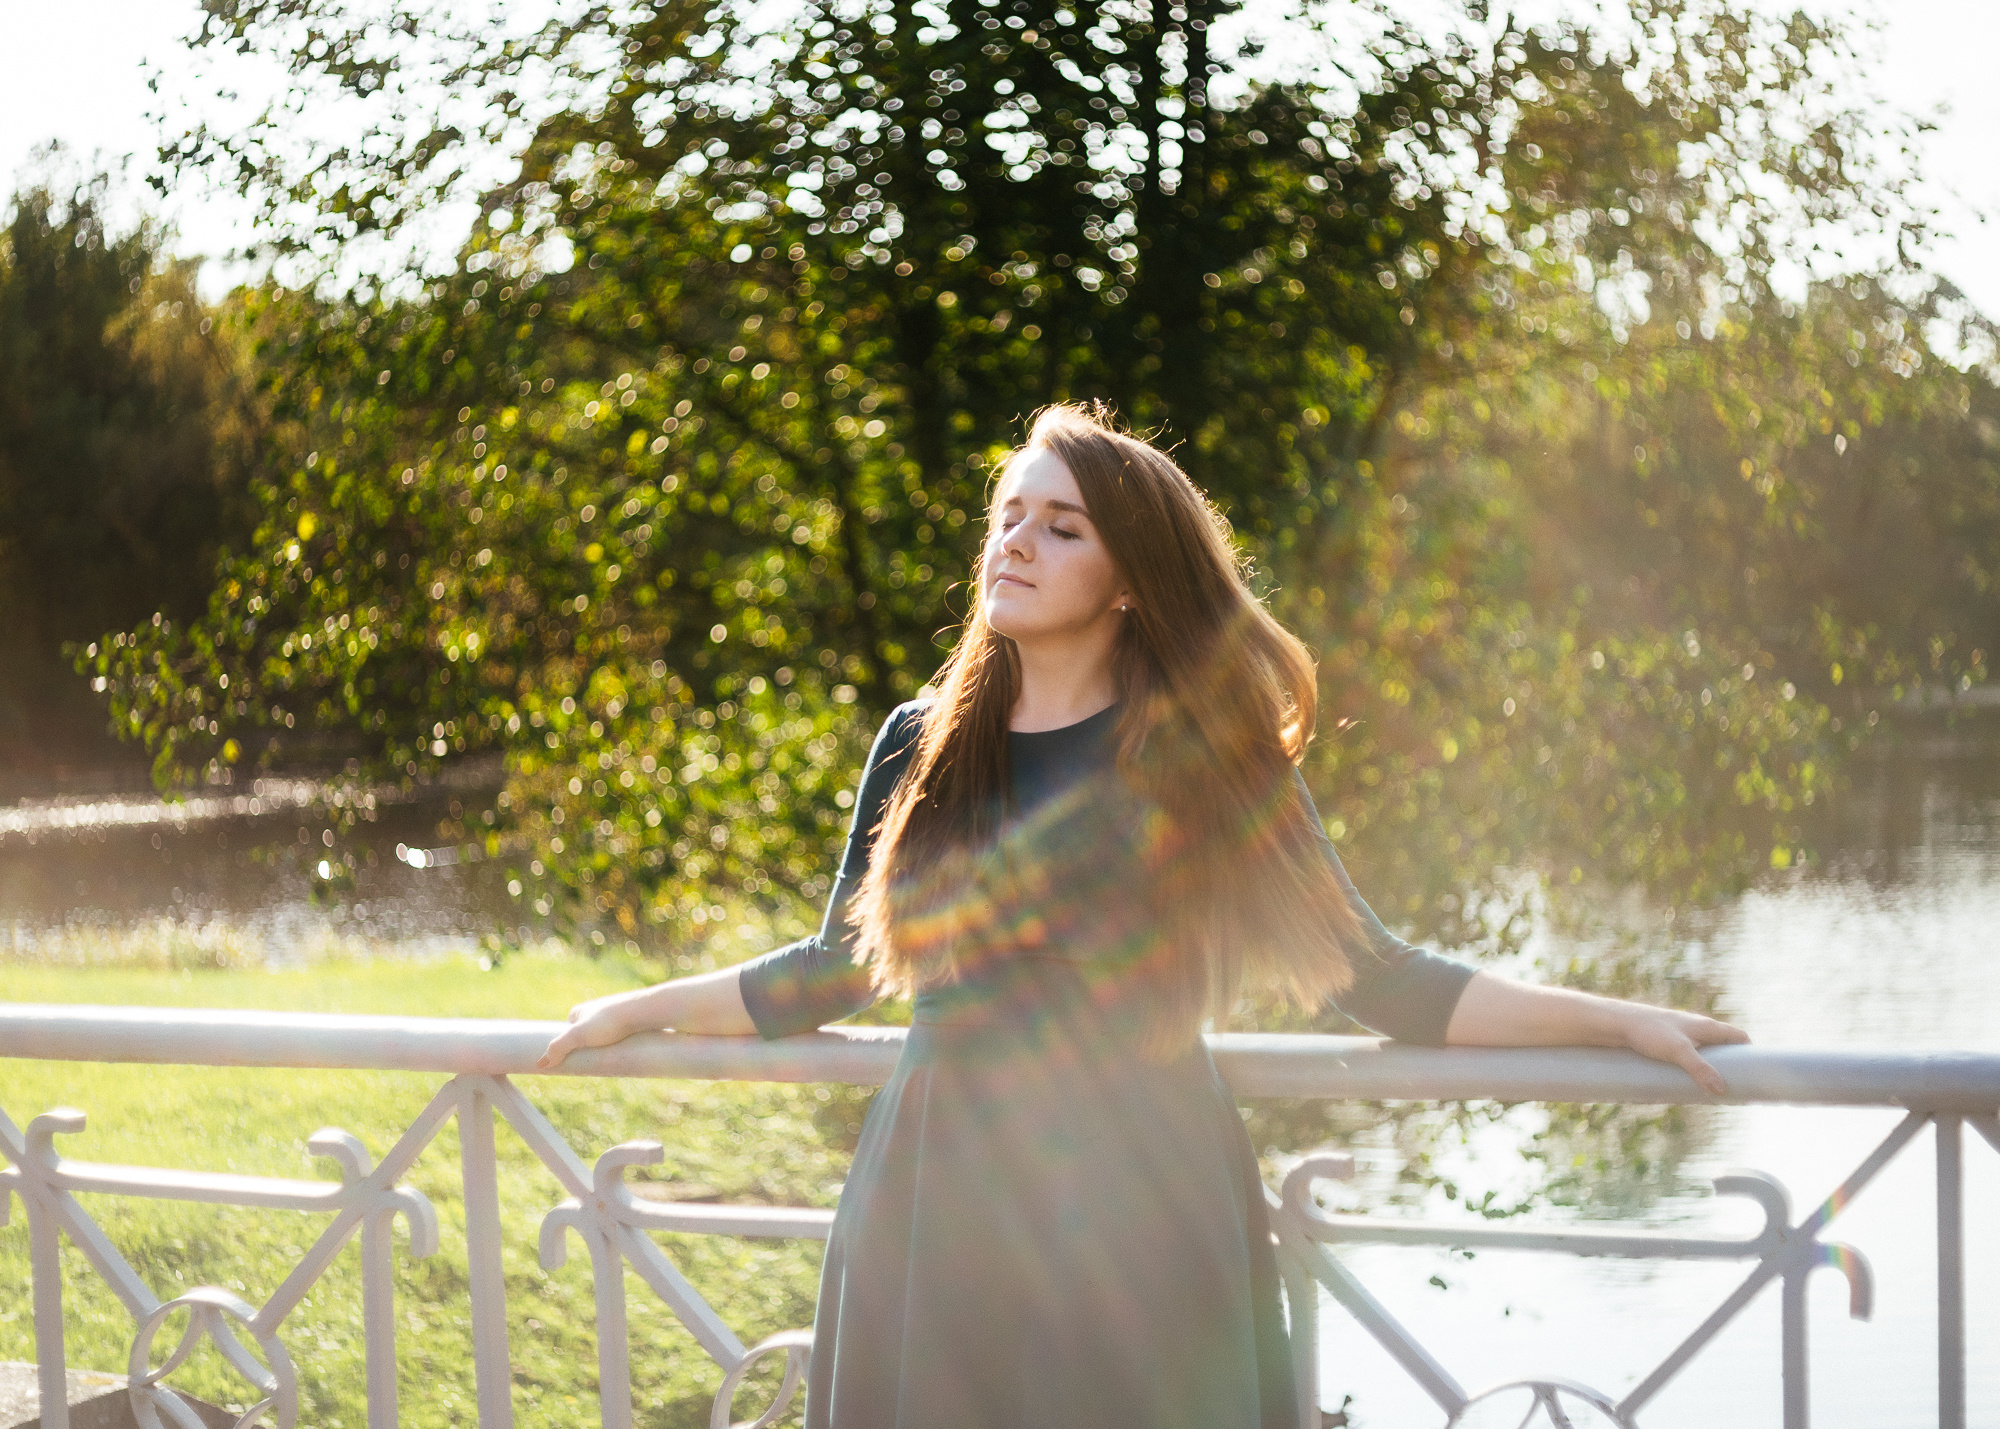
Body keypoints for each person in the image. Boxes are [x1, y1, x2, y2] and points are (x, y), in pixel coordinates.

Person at [537, 402, 1747, 1429]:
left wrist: (1615, 1022)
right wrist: (637, 1009)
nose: (1016, 541)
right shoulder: (922, 742)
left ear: (1128, 582)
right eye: (1009, 515)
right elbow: (832, 969)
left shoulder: (1207, 759)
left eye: (1061, 527)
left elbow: (1376, 977)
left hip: (1143, 1208)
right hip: (936, 1203)